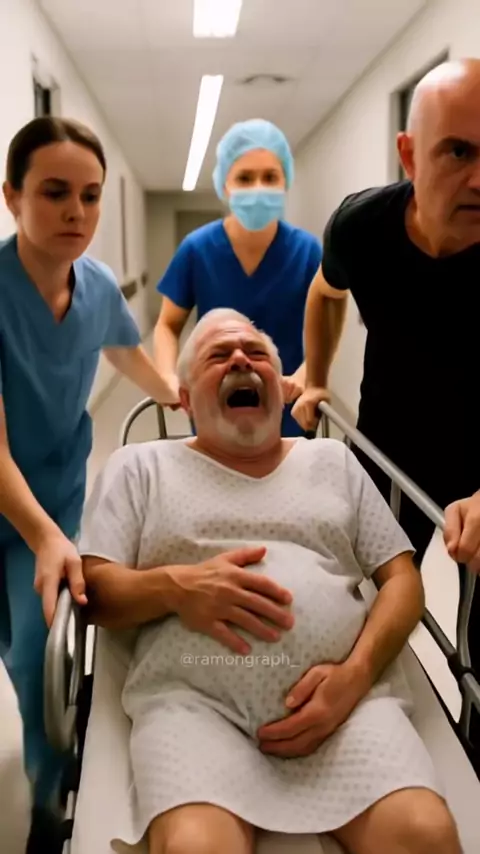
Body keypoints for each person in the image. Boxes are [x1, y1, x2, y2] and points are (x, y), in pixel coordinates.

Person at [79, 308, 461, 854]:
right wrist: (176, 589)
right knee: (197, 850)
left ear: (281, 390)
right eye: (218, 355)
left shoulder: (332, 460)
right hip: (194, 707)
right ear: (184, 398)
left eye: (256, 353)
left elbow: (402, 578)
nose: (240, 359)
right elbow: (94, 590)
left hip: (347, 708)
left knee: (426, 836)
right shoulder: (141, 467)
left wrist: (355, 675)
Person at [0, 116, 176, 851]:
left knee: (38, 649)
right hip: (15, 499)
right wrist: (43, 535)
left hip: (53, 501)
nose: (77, 211)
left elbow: (125, 352)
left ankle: (50, 804)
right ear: (11, 196)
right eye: (54, 192)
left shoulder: (97, 285)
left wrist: (177, 392)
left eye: (91, 195)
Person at [292, 59, 480, 610]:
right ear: (409, 155)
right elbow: (325, 293)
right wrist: (316, 380)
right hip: (391, 445)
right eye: (459, 151)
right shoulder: (362, 228)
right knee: (360, 603)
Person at [153, 118, 322, 437]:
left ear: (285, 182)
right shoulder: (197, 248)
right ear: (225, 185)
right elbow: (167, 325)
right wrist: (167, 375)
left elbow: (326, 331)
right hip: (215, 403)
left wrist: (306, 374)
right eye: (244, 177)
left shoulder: (308, 251)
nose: (258, 187)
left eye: (270, 177)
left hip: (287, 406)